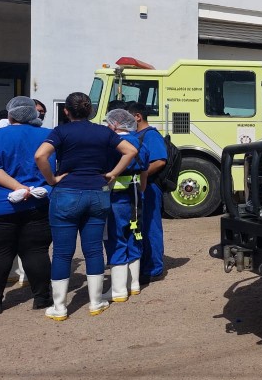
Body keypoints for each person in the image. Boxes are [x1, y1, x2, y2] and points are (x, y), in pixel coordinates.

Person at [35, 92, 137, 321]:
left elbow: (40, 155)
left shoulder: (60, 131)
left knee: (62, 252)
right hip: (97, 192)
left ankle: (59, 307)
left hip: (67, 193)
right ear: (90, 111)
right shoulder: (104, 132)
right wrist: (112, 174)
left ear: (66, 111)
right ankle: (96, 302)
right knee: (93, 250)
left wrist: (51, 179)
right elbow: (131, 151)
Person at [0, 97, 53, 315]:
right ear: (34, 114)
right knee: (36, 251)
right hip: (38, 204)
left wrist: (18, 187)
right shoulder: (48, 136)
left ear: (10, 115)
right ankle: (41, 297)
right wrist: (29, 189)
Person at [103, 108, 149, 301]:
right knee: (134, 236)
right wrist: (141, 191)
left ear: (114, 125)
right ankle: (134, 284)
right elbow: (145, 172)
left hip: (115, 198)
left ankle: (118, 290)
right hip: (136, 198)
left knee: (115, 238)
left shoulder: (111, 145)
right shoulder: (141, 143)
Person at [124, 101, 167, 283]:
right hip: (141, 186)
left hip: (149, 187)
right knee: (141, 226)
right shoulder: (138, 135)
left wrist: (138, 176)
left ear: (137, 117)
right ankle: (144, 264)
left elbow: (160, 161)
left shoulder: (150, 135)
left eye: (125, 117)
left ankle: (154, 269)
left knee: (151, 227)